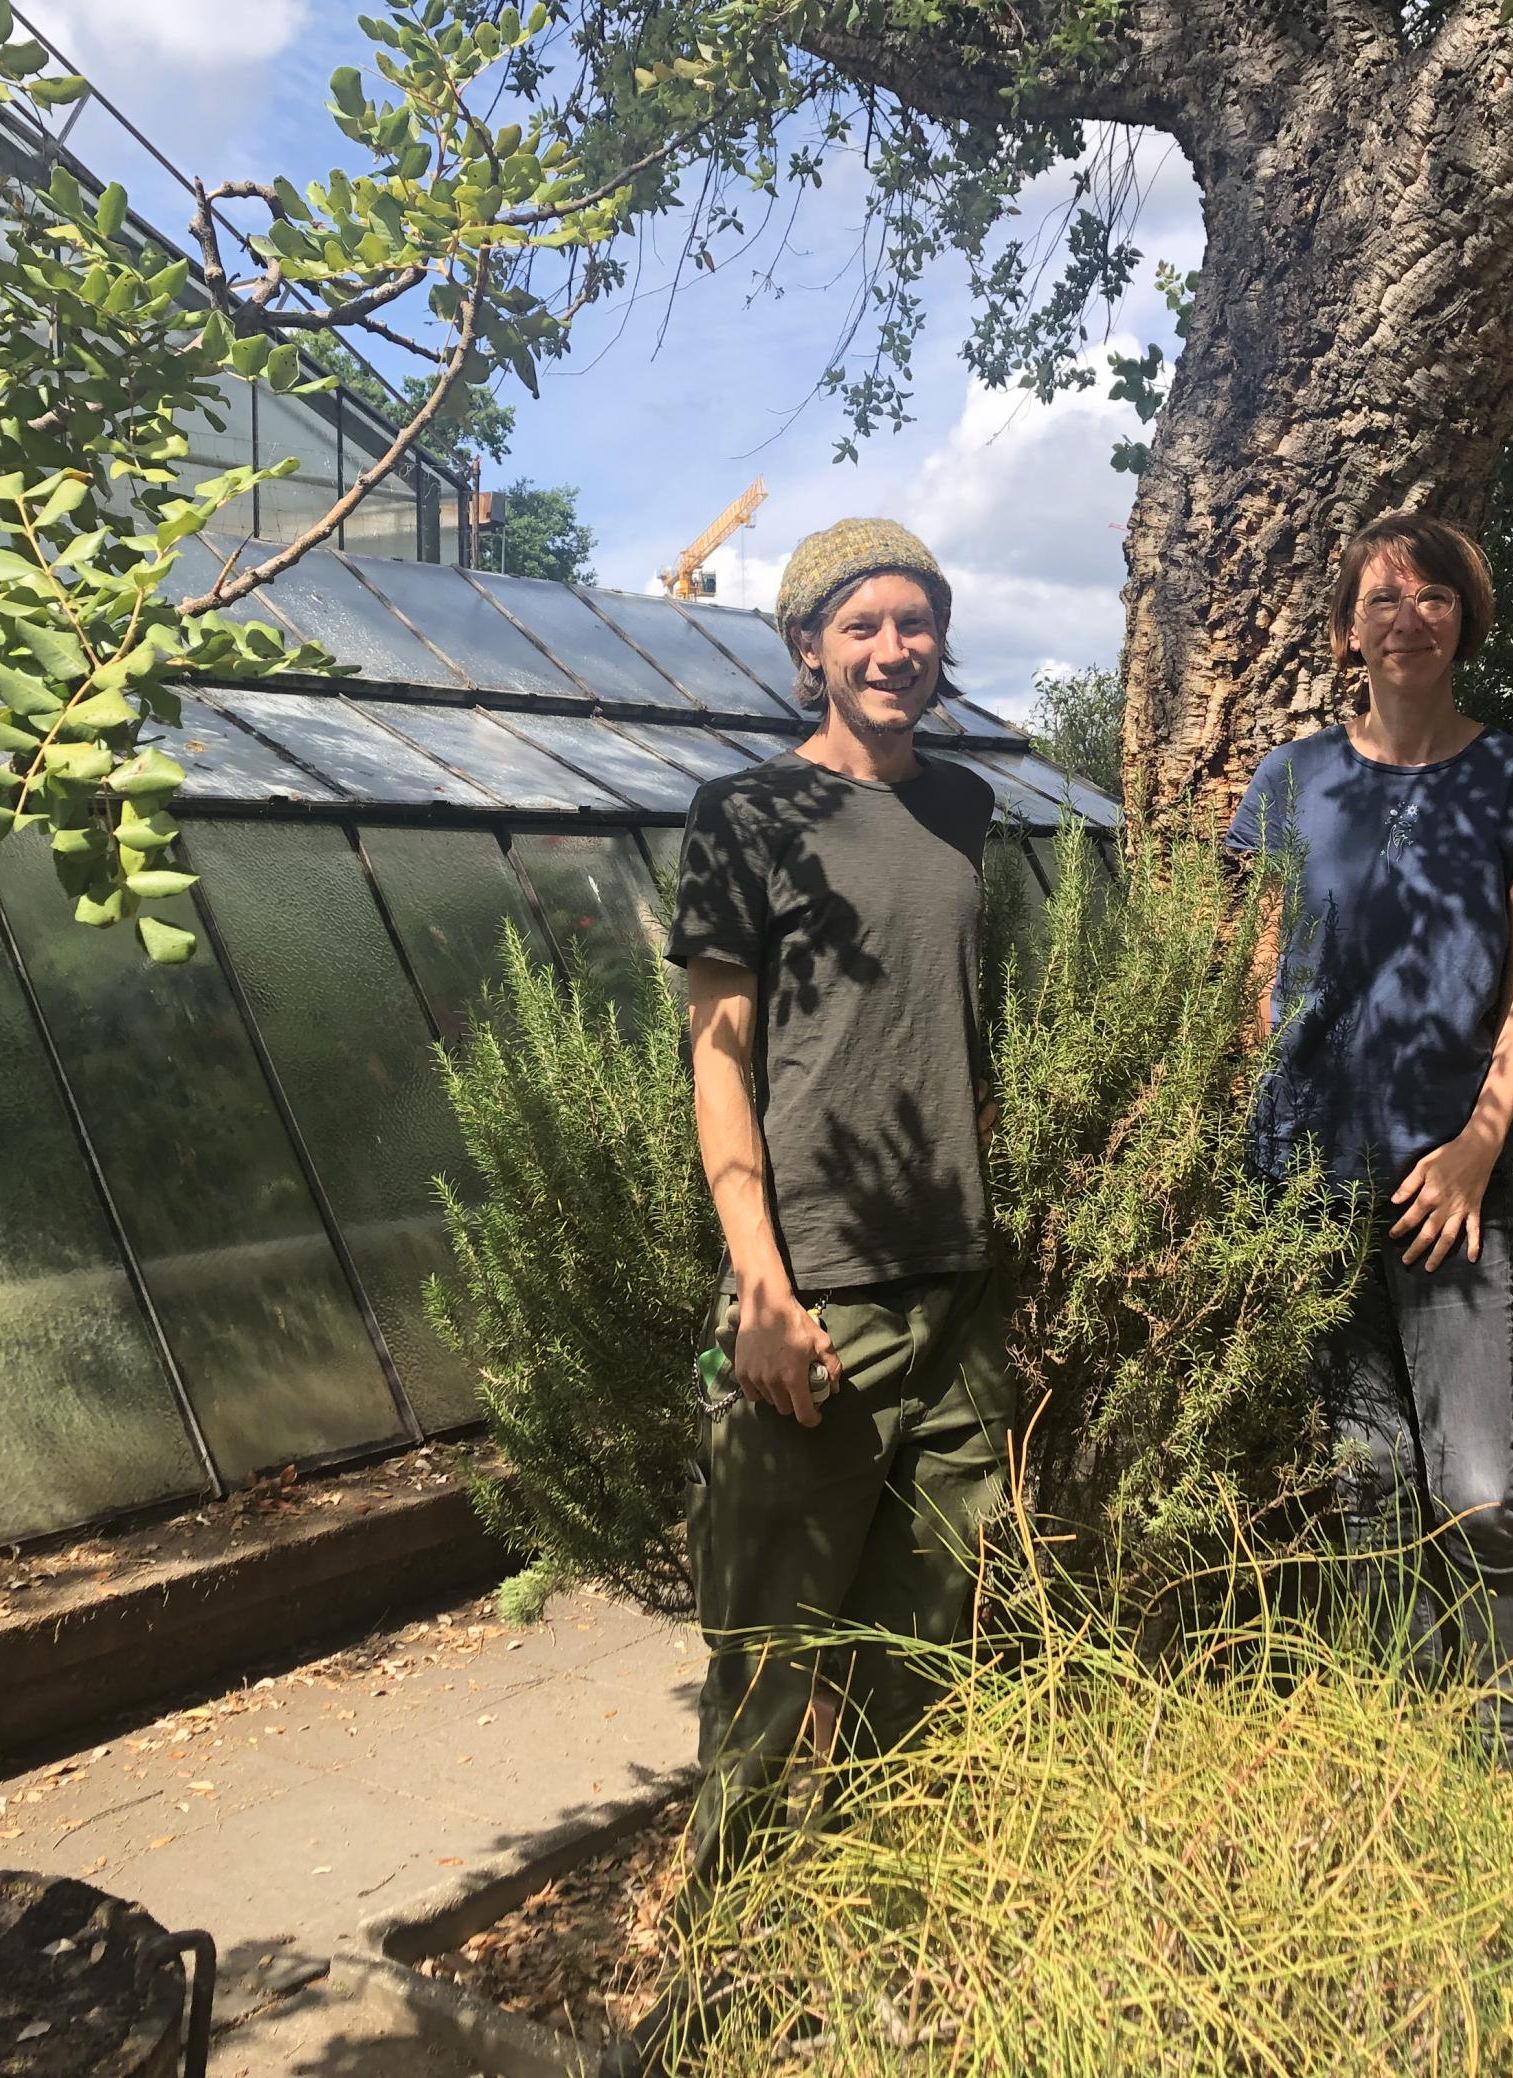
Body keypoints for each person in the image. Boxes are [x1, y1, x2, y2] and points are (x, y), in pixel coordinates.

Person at [623, 519, 1013, 2067]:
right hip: (818, 1307)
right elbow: (716, 1059)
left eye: (915, 623)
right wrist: (759, 1284)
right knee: (769, 1682)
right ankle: (717, 2003)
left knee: (923, 1664)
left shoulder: (969, 809)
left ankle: (873, 1973)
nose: (892, 648)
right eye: (861, 624)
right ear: (808, 649)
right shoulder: (744, 815)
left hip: (956, 1305)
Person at [1226, 508, 1513, 1756]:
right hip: (1303, 1174)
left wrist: (1480, 1142)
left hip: (1449, 1175)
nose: (1408, 614)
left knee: (1477, 1488)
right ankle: (1396, 1741)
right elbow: (1258, 972)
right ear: (1346, 633)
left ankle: (1501, 1757)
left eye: (1433, 594)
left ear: (1465, 620)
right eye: (1381, 598)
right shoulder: (1290, 780)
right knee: (1366, 1476)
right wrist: (1248, 1131)